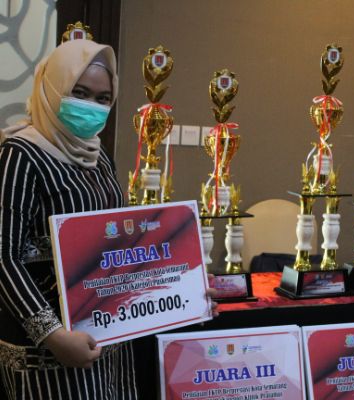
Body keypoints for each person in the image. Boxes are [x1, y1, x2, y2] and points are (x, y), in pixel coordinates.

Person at [0, 38, 217, 399]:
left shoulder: (98, 157)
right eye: (80, 93)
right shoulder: (21, 154)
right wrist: (52, 335)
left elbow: (121, 243)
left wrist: (184, 290)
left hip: (105, 334)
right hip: (46, 351)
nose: (92, 106)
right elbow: (4, 257)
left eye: (103, 99)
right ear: (53, 88)